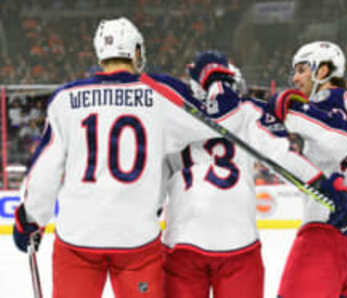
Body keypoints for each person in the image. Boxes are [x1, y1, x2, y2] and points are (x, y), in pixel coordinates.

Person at [11, 18, 273, 298]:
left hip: (78, 236)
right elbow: (219, 121)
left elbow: (45, 171)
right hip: (135, 239)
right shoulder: (161, 93)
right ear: (136, 53)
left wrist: (31, 219)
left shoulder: (66, 99)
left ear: (100, 53)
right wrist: (218, 81)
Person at [159, 51, 347, 298]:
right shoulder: (247, 110)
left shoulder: (174, 117)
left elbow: (156, 185)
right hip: (239, 243)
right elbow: (282, 159)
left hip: (182, 242)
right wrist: (327, 190)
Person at [267, 41, 347, 298]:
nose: (296, 78)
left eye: (303, 69)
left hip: (337, 225)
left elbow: (340, 138)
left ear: (323, 71)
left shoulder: (331, 99)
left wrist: (292, 111)